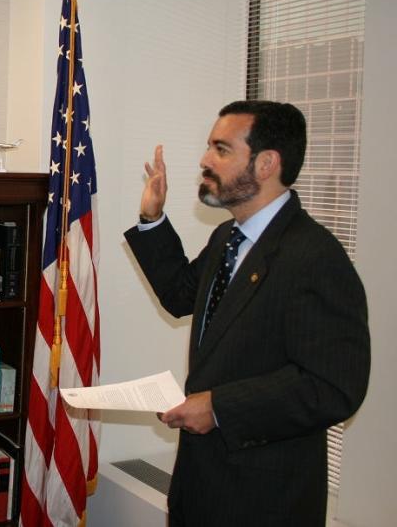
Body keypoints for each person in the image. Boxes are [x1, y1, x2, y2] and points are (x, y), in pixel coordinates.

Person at [125, 100, 370, 526]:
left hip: (262, 502)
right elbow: (181, 294)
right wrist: (152, 217)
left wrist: (220, 407)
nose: (204, 160)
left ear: (266, 164)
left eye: (221, 149)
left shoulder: (315, 256)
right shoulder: (228, 238)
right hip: (201, 490)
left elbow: (333, 386)